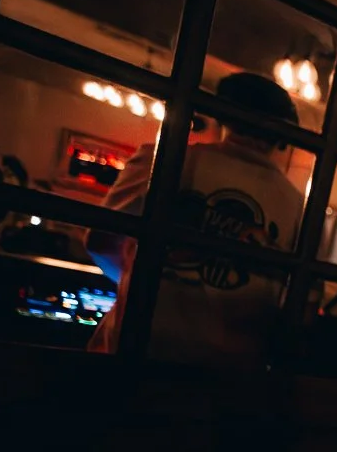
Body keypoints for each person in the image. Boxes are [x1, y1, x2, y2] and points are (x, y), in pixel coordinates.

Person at [85, 72, 305, 359]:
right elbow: (300, 306)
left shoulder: (161, 160)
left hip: (138, 349)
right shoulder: (298, 207)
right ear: (283, 137)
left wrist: (154, 279)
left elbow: (100, 241)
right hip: (228, 372)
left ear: (220, 114)